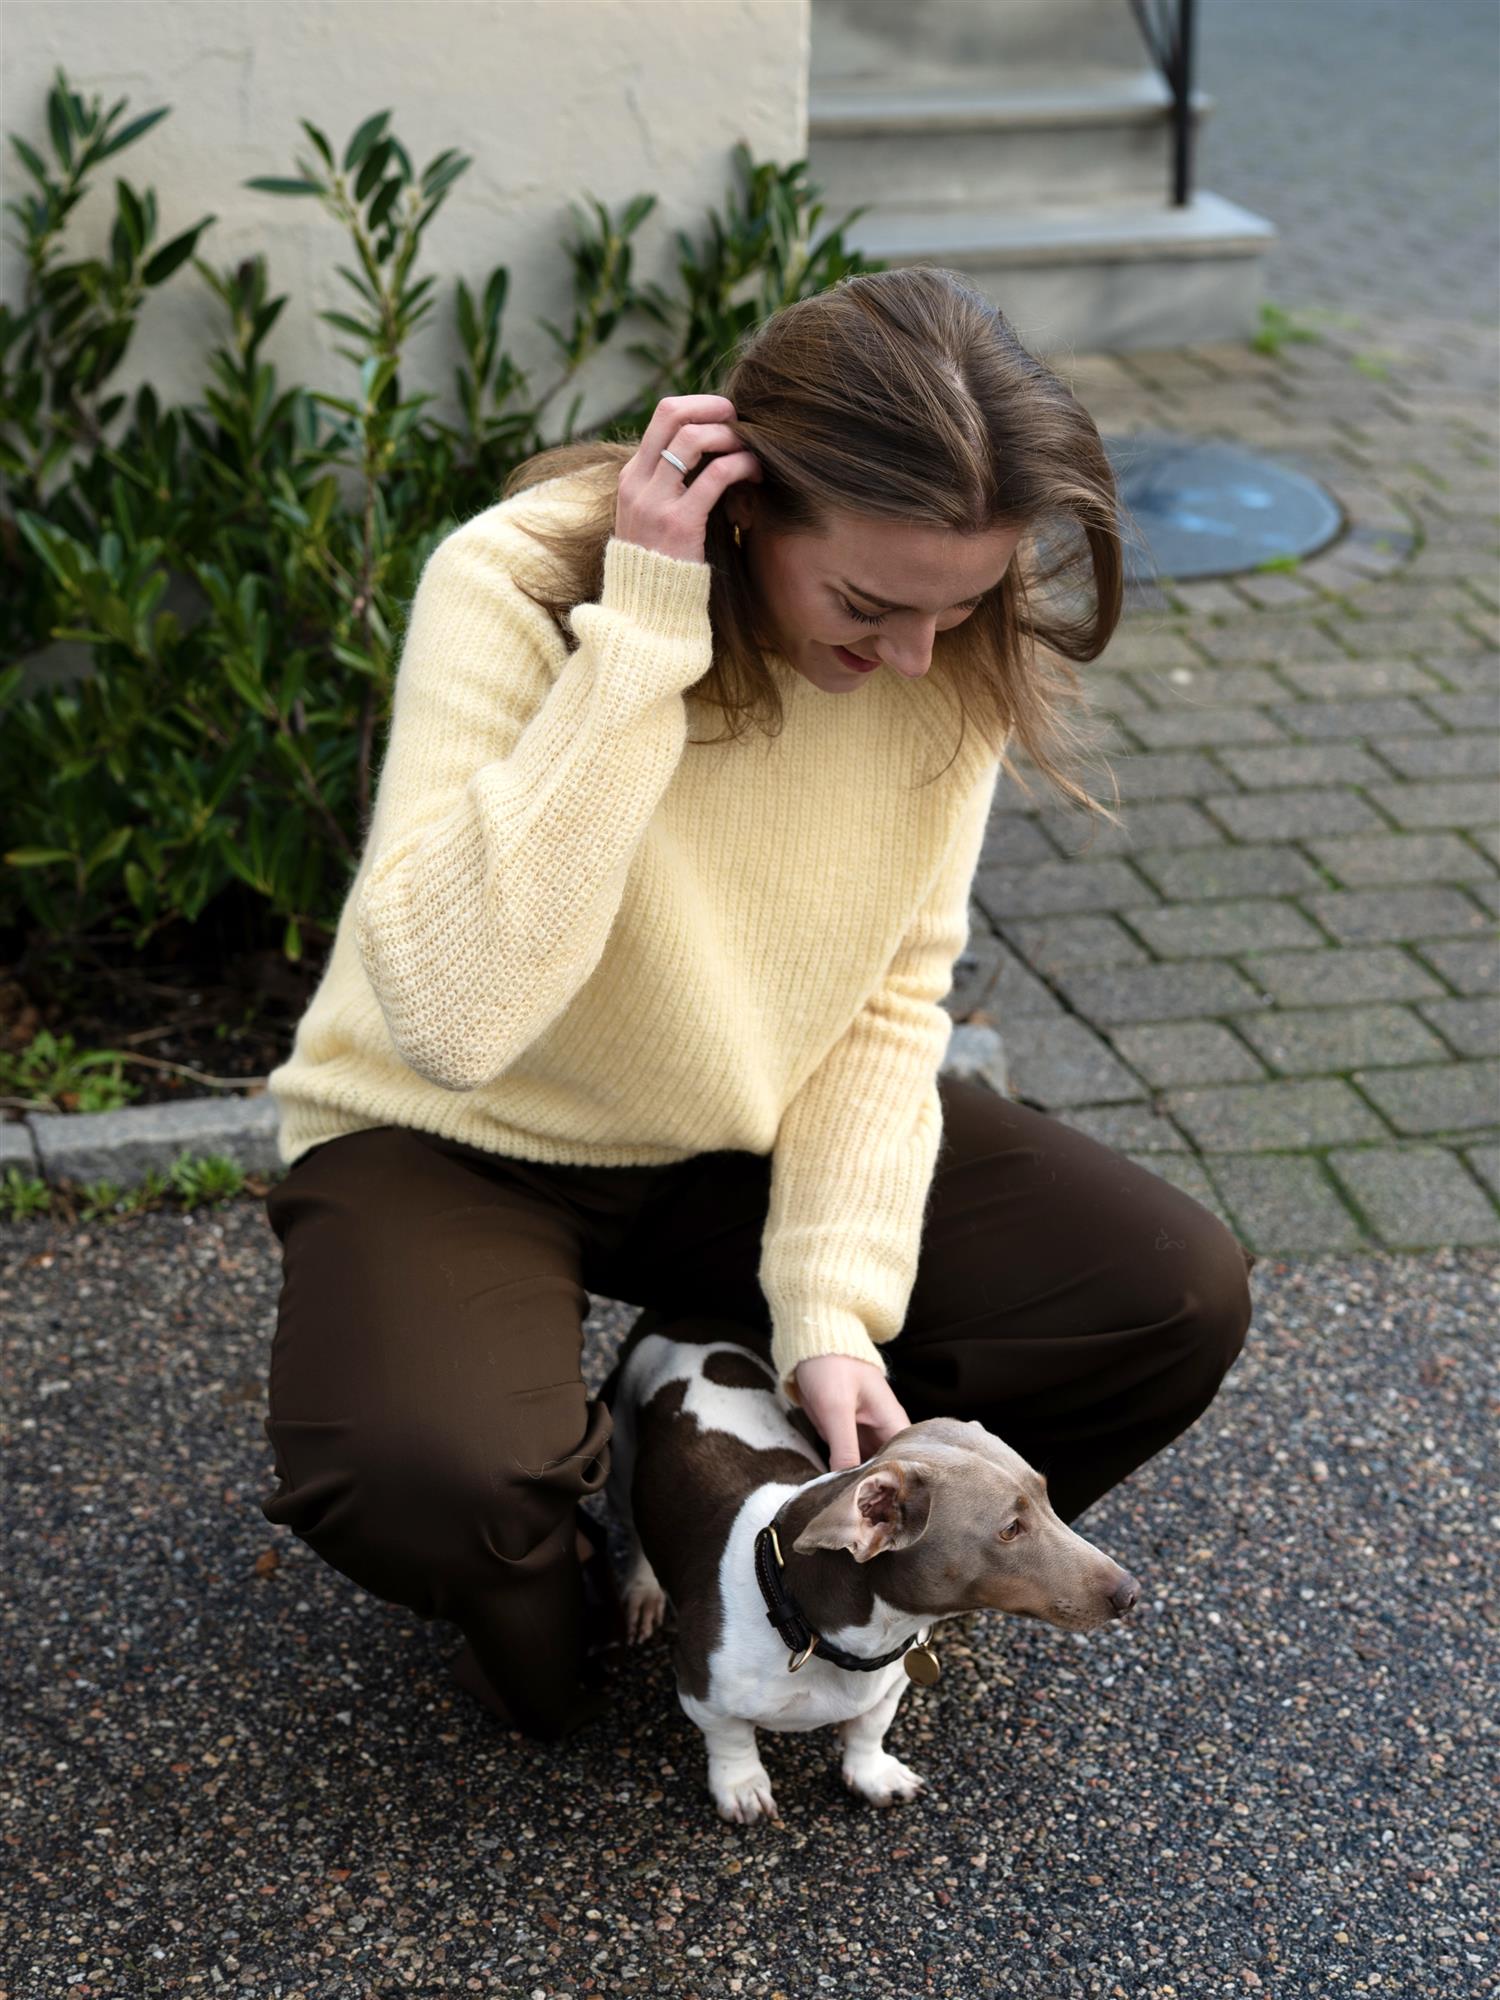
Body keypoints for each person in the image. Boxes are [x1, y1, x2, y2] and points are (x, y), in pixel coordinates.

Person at [259, 266, 1253, 1745]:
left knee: (1167, 1289)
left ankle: (842, 1567)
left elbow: (889, 1001)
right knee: (437, 1478)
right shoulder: (514, 580)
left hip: (741, 1130)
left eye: (959, 606)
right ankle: (579, 1565)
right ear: (741, 510)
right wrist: (645, 637)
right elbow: (456, 1017)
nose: (913, 656)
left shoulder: (944, 652)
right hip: (454, 1131)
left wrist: (831, 1311)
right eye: (867, 603)